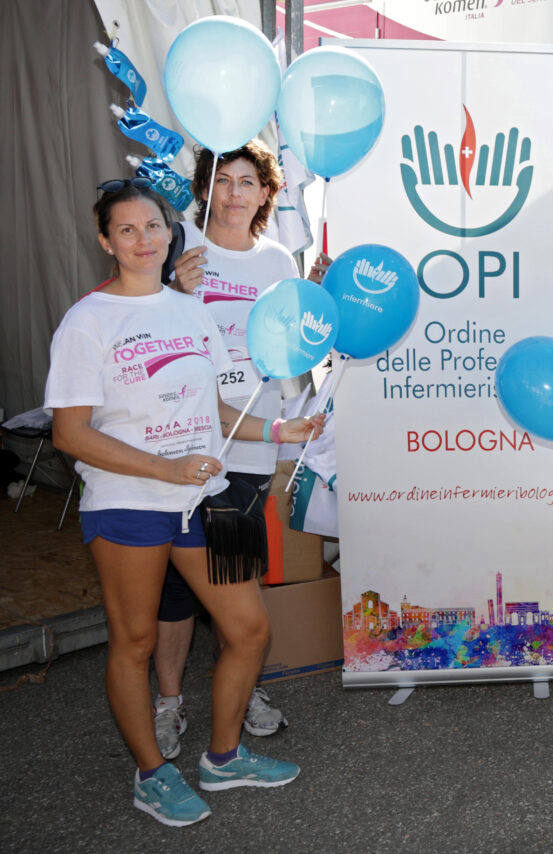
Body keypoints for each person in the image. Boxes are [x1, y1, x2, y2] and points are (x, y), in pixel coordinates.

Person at [47, 178, 325, 827]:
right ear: (105, 241)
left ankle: (223, 759)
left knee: (249, 628)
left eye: (154, 226)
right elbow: (71, 433)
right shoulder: (86, 322)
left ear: (171, 233)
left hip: (207, 498)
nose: (144, 239)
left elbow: (220, 406)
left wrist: (278, 430)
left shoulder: (189, 307)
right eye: (127, 229)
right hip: (128, 502)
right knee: (136, 642)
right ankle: (152, 774)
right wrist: (165, 467)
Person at [153, 141, 302, 759]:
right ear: (206, 187)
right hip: (179, 444)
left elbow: (290, 345)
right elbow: (140, 334)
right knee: (177, 591)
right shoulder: (175, 243)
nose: (236, 192)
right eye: (225, 180)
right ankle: (169, 703)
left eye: (249, 182)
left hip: (250, 445)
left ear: (267, 194)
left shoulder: (278, 262)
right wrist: (174, 288)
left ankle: (244, 690)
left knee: (236, 574)